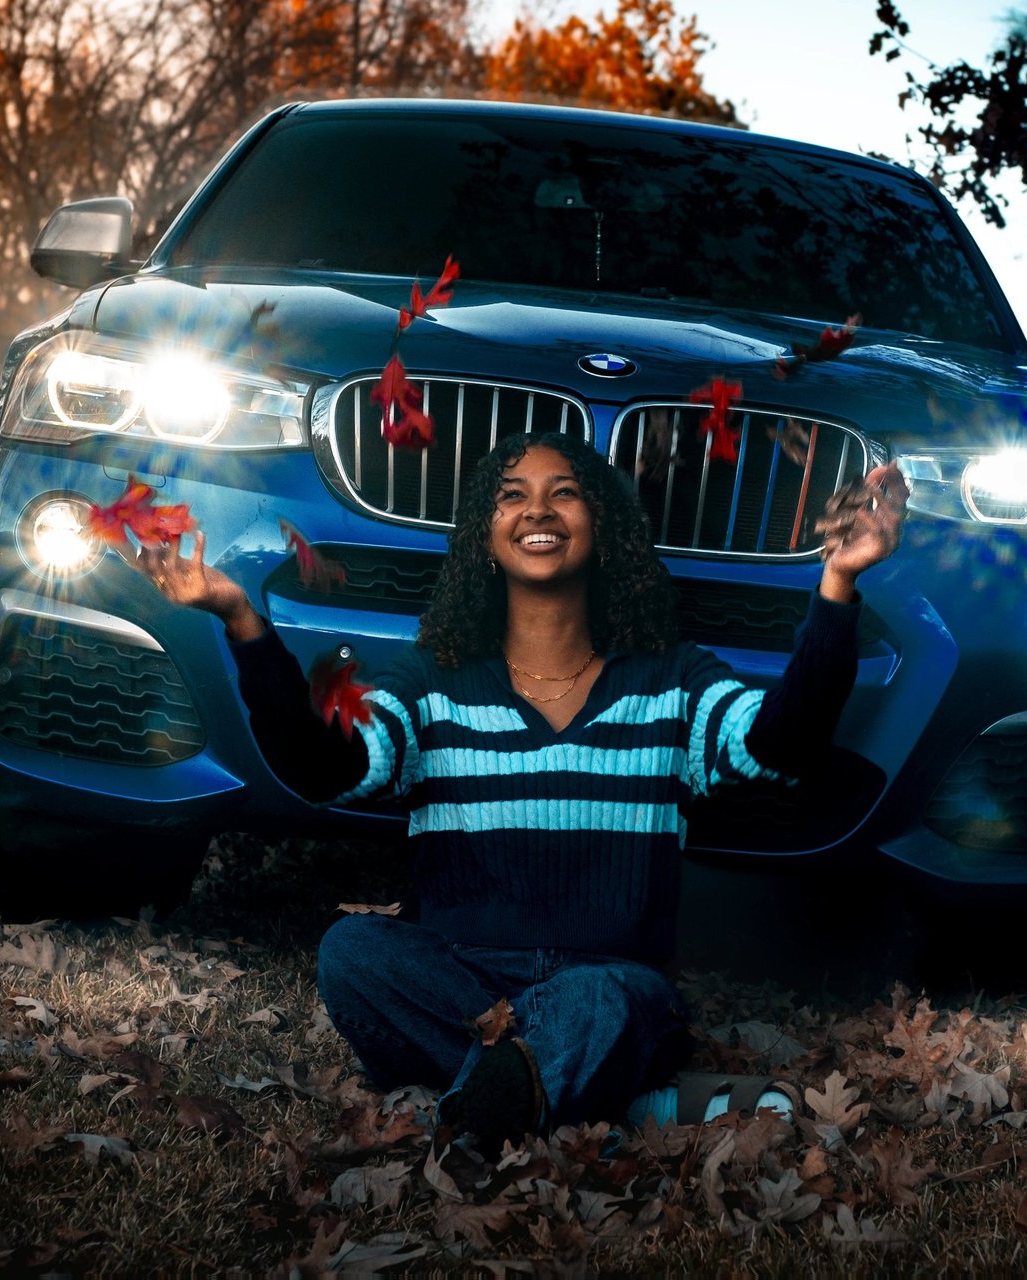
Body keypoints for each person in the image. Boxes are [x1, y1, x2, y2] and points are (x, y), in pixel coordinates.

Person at [133, 431, 905, 1155]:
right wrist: (243, 621)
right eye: (511, 496)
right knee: (352, 953)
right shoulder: (432, 681)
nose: (537, 509)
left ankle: (490, 1104)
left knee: (610, 1001)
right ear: (485, 537)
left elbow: (785, 745)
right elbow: (324, 770)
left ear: (604, 530)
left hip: (606, 978)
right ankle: (607, 1100)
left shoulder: (673, 677)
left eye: (564, 493)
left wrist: (837, 584)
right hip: (465, 978)